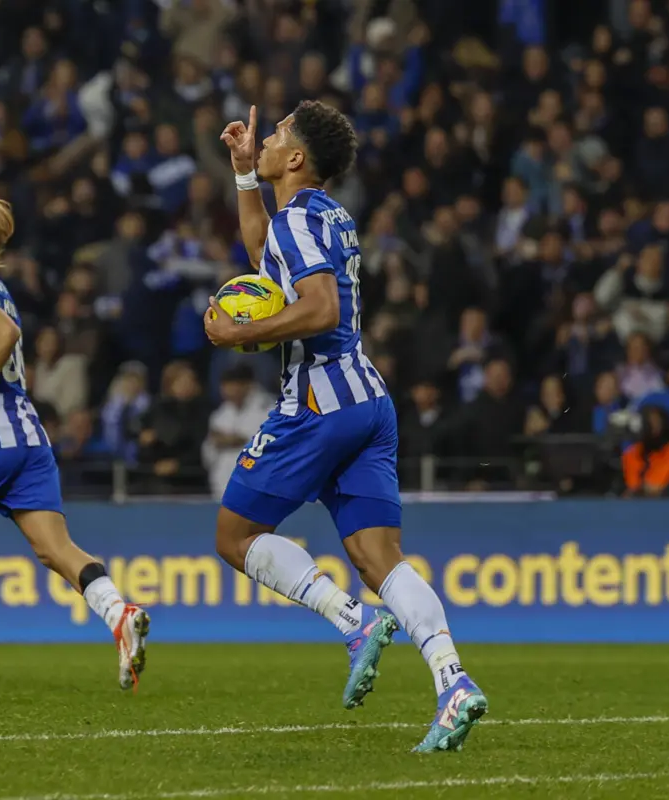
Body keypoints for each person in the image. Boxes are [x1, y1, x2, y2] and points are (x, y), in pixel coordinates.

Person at [205, 102, 486, 753]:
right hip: (367, 401)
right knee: (379, 558)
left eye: (277, 134)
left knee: (234, 535)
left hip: (318, 401)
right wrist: (244, 175)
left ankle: (353, 622)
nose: (267, 138)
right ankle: (453, 681)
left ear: (296, 158)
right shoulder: (324, 215)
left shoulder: (298, 220)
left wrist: (241, 332)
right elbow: (265, 254)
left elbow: (321, 308)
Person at [0, 191, 148, 697]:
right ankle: (119, 613)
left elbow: (6, 334)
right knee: (54, 548)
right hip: (28, 436)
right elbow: (1, 354)